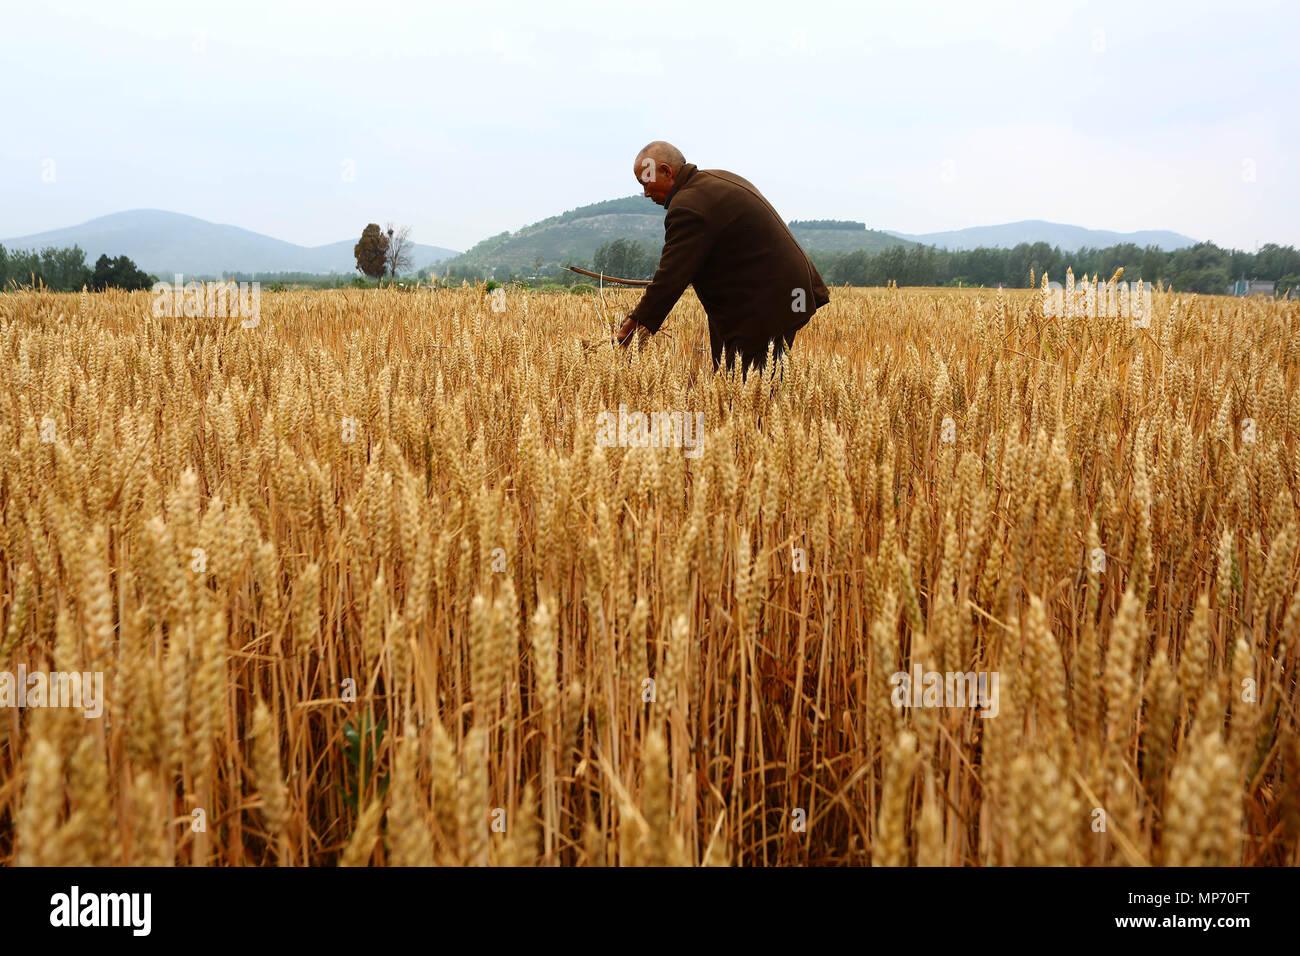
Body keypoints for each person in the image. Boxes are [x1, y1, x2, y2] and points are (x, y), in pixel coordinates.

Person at [614, 141, 830, 376]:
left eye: (646, 183)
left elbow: (671, 278)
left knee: (749, 387)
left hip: (770, 301)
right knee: (736, 380)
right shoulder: (712, 181)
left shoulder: (689, 206)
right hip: (787, 293)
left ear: (667, 171)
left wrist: (634, 324)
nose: (645, 193)